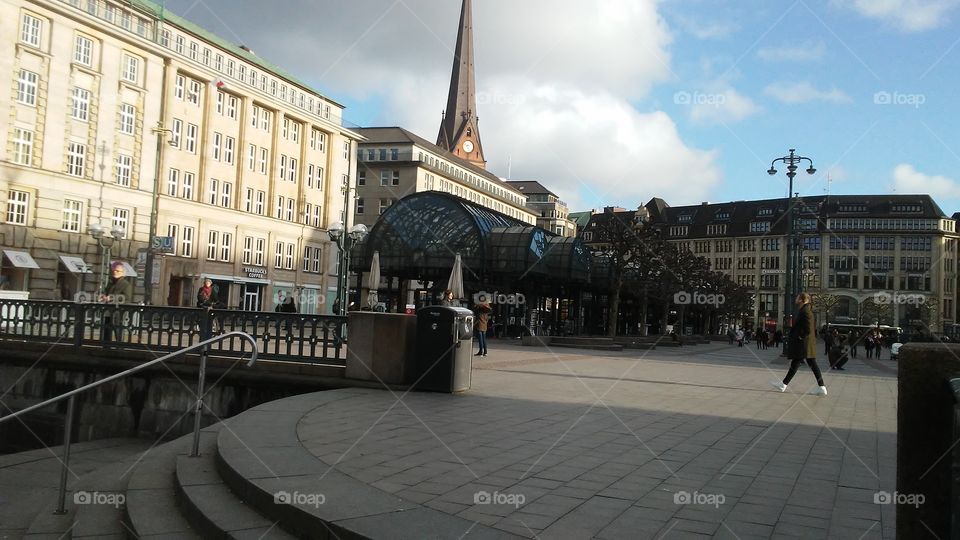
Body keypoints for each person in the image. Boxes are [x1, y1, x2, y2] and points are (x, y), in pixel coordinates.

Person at [771, 293, 827, 395]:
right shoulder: (805, 310)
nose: (795, 299)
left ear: (801, 300)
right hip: (806, 344)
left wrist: (800, 336)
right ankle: (821, 387)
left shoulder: (805, 311)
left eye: (797, 298)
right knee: (808, 364)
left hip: (803, 344)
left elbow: (808, 329)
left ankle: (783, 385)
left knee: (799, 363)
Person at [101, 261, 133, 344]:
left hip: (120, 310)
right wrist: (104, 296)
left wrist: (111, 298)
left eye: (117, 271)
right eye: (114, 270)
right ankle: (106, 345)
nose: (115, 272)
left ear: (123, 273)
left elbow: (127, 297)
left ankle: (119, 346)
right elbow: (106, 292)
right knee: (107, 328)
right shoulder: (111, 282)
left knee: (118, 329)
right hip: (109, 309)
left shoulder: (126, 284)